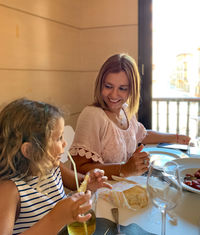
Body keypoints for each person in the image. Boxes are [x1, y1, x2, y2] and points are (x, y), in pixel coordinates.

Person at [0, 98, 112, 234]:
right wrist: (55, 218)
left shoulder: (52, 167)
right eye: (59, 138)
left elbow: (79, 184)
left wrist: (88, 183)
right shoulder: (9, 190)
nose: (65, 143)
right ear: (30, 151)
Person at [69, 53, 191, 179]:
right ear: (100, 84)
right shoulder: (92, 115)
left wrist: (176, 138)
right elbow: (78, 169)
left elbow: (142, 135)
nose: (114, 95)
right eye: (108, 86)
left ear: (132, 90)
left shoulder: (125, 110)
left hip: (128, 186)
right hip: (102, 194)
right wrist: (123, 169)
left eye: (122, 88)